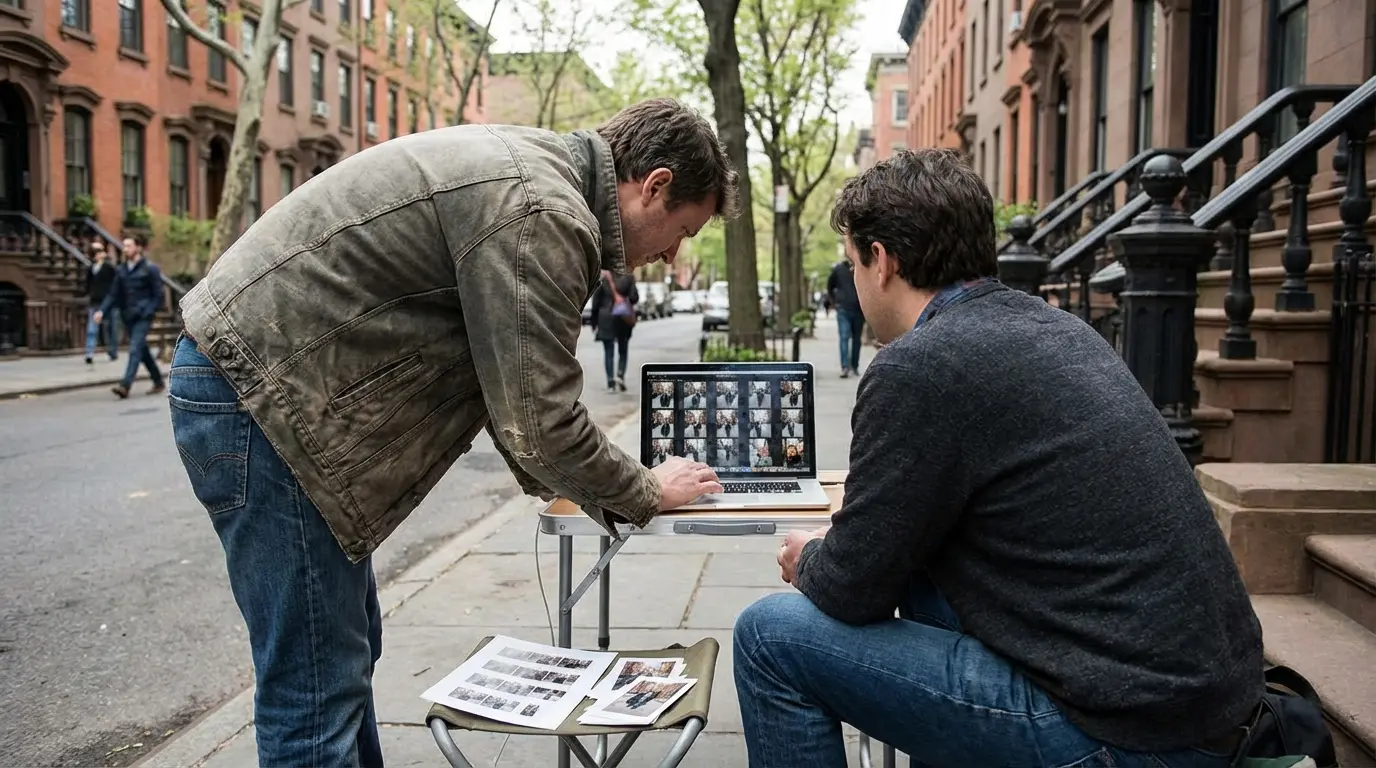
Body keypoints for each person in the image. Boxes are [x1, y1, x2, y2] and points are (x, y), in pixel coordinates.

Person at [166, 98, 734, 767]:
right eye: (683, 232)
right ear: (655, 185)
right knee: (314, 687)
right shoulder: (542, 209)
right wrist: (643, 489)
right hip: (263, 400)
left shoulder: (534, 170)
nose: (671, 256)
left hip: (263, 389)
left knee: (339, 660)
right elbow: (538, 421)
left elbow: (517, 401)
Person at [733, 148, 1265, 767]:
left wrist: (812, 559)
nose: (853, 280)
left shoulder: (919, 367)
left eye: (851, 263)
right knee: (928, 576)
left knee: (768, 636)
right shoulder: (1061, 330)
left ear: (882, 261)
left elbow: (850, 590)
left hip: (1124, 731)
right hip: (1205, 705)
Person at [96, 235, 165, 397]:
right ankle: (158, 381)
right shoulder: (121, 270)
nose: (125, 249)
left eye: (129, 246)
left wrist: (149, 311)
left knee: (135, 348)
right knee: (142, 350)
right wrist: (102, 311)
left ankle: (125, 385)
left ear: (138, 248)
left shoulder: (150, 268)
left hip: (143, 316)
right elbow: (113, 294)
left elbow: (158, 295)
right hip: (128, 316)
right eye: (124, 246)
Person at [590, 268, 639, 392]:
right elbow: (634, 297)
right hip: (623, 317)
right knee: (623, 349)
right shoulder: (628, 277)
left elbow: (596, 301)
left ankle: (611, 381)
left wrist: (594, 322)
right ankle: (620, 375)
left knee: (608, 351)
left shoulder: (603, 277)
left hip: (606, 318)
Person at [82, 241, 119, 364]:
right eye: (95, 252)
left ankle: (112, 351)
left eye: (100, 251)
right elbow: (87, 284)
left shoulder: (109, 267)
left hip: (108, 302)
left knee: (111, 328)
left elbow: (116, 283)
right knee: (92, 329)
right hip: (95, 302)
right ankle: (89, 353)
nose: (98, 254)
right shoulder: (91, 268)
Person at [826, 258, 864, 377]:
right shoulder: (839, 269)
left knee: (856, 339)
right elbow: (830, 285)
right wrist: (834, 301)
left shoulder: (862, 266)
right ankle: (845, 367)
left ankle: (854, 366)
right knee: (844, 336)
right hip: (843, 308)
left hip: (859, 309)